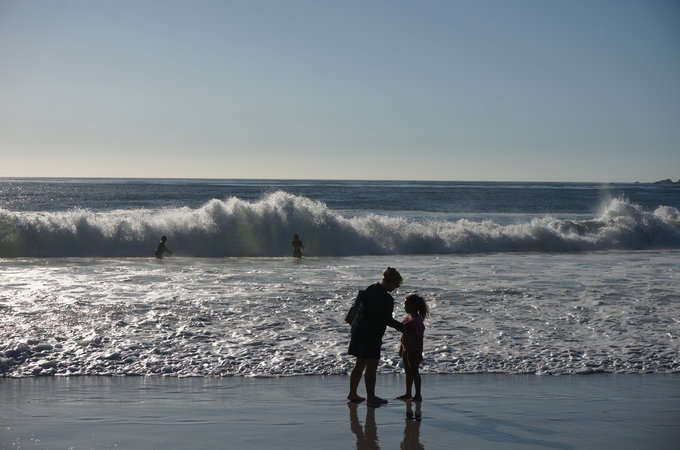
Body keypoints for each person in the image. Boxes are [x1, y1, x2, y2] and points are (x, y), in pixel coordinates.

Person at [347, 267, 404, 407]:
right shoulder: (386, 298)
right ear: (389, 281)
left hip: (358, 330)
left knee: (360, 363)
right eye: (396, 285)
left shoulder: (369, 289)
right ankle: (371, 397)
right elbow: (386, 319)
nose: (396, 288)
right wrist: (403, 327)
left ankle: (353, 393)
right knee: (372, 365)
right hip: (371, 334)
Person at [396, 294, 429, 402]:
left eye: (407, 305)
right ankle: (408, 393)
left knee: (414, 371)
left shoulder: (417, 321)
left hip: (414, 350)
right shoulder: (408, 317)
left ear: (414, 306)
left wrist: (419, 353)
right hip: (406, 348)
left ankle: (418, 394)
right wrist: (401, 348)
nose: (405, 307)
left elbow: (419, 339)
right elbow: (404, 334)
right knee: (408, 371)